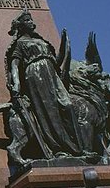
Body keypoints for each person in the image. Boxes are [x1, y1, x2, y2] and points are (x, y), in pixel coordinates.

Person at [6, 10, 83, 159]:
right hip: (35, 74)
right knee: (49, 111)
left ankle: (78, 147)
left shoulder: (42, 41)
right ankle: (59, 148)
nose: (31, 22)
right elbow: (14, 65)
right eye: (27, 21)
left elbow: (57, 60)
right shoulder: (20, 44)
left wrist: (65, 45)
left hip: (52, 73)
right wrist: (16, 83)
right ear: (21, 26)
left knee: (67, 105)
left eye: (31, 20)